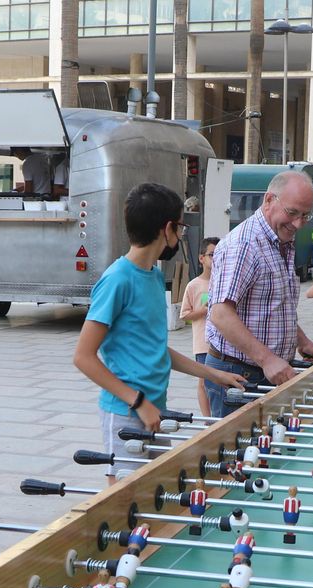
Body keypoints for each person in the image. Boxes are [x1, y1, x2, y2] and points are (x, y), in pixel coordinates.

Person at [73, 183, 245, 483]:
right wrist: (138, 402)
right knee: (124, 506)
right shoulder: (117, 280)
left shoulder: (153, 275)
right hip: (127, 410)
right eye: (180, 226)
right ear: (167, 229)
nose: (180, 234)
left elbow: (156, 351)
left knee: (155, 496)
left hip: (154, 407)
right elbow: (83, 357)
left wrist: (215, 375)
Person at [204, 170, 313, 412]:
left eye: (305, 215)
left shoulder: (281, 239)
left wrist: (302, 341)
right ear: (269, 200)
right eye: (292, 213)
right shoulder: (244, 245)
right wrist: (268, 359)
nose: (298, 224)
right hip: (239, 373)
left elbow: (273, 304)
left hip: (264, 370)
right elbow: (220, 314)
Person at [177, 237, 220, 415]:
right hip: (203, 343)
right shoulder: (193, 285)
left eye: (219, 254)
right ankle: (207, 419)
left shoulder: (224, 281)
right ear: (201, 258)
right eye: (212, 254)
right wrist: (204, 311)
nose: (215, 258)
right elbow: (185, 316)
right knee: (203, 381)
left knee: (220, 381)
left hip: (222, 343)